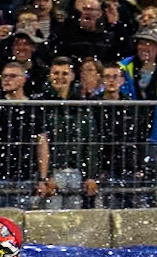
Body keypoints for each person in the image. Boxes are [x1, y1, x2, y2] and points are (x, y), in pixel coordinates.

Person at [0, 62, 52, 209]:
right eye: (4, 76)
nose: (7, 80)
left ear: (24, 79)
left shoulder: (34, 108)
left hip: (27, 176)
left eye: (12, 76)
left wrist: (42, 178)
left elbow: (42, 146)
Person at [39, 56, 99, 209]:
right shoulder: (41, 103)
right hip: (53, 173)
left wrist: (91, 175)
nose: (59, 77)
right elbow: (40, 145)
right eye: (55, 73)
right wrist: (46, 176)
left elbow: (90, 143)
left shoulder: (82, 106)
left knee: (73, 223)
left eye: (64, 73)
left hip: (76, 172)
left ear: (72, 76)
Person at [96, 61, 154, 207]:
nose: (111, 80)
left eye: (115, 77)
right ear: (102, 80)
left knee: (129, 211)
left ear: (122, 81)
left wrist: (140, 166)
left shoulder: (131, 107)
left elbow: (139, 138)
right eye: (107, 77)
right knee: (107, 210)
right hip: (105, 167)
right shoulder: (94, 105)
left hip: (128, 166)